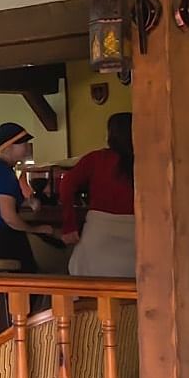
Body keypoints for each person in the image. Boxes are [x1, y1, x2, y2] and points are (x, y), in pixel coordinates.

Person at [60, 112, 137, 277]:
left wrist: (69, 225)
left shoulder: (97, 158)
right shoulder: (147, 160)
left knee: (83, 273)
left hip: (100, 229)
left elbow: (66, 183)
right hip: (137, 230)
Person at [0, 122, 55, 272]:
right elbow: (9, 217)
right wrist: (35, 229)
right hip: (0, 240)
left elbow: (8, 201)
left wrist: (30, 201)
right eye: (23, 143)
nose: (26, 147)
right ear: (9, 147)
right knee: (49, 263)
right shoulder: (3, 173)